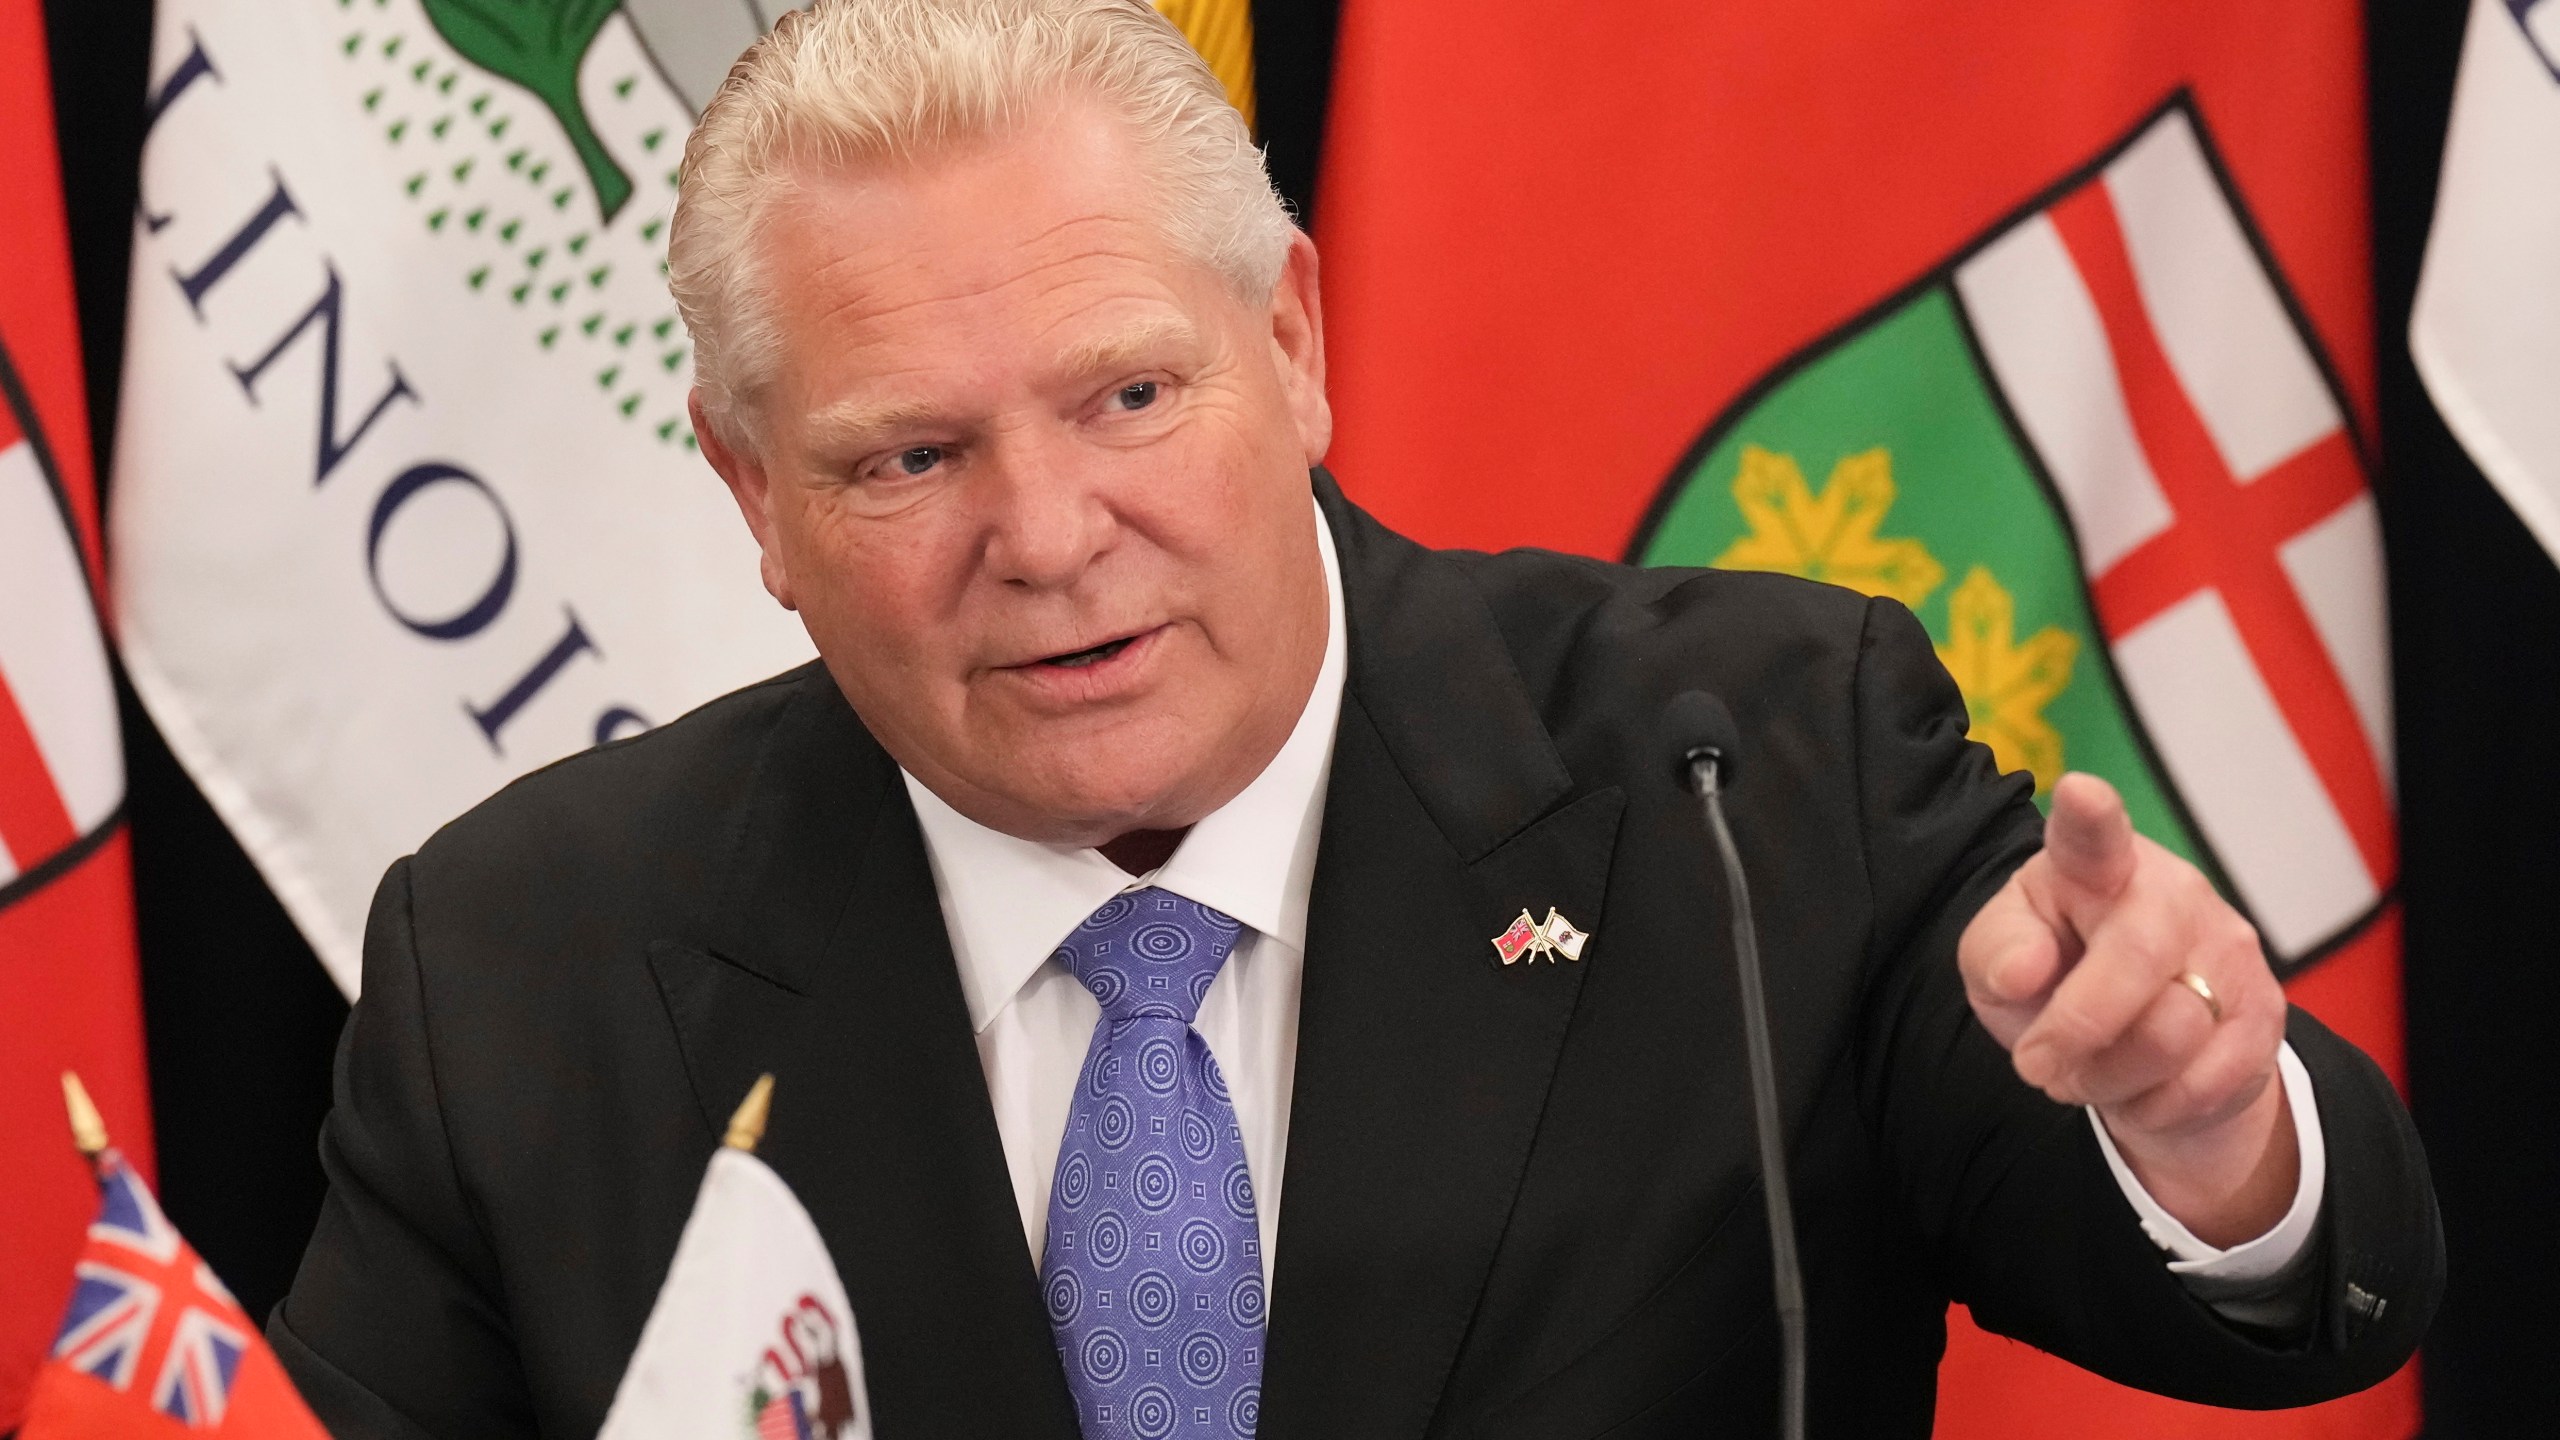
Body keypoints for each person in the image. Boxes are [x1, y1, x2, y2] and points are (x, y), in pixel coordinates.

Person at [268, 1, 2441, 1435]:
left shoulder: (1745, 770)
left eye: (1127, 395)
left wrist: (2201, 1133)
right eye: (902, 459)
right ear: (754, 495)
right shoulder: (525, 959)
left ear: (1291, 340)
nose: (1044, 535)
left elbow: (2277, 1303)